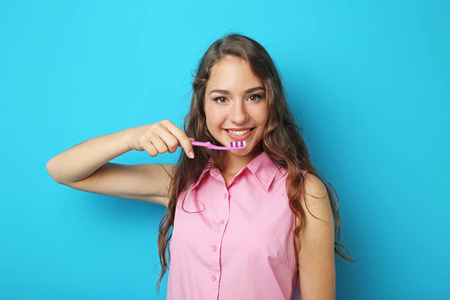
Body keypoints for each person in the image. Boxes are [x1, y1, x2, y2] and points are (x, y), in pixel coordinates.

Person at [47, 34, 351, 300]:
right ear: (202, 106)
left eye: (254, 97)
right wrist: (131, 138)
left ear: (271, 102)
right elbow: (61, 170)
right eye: (221, 99)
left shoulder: (304, 193)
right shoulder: (181, 182)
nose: (239, 116)